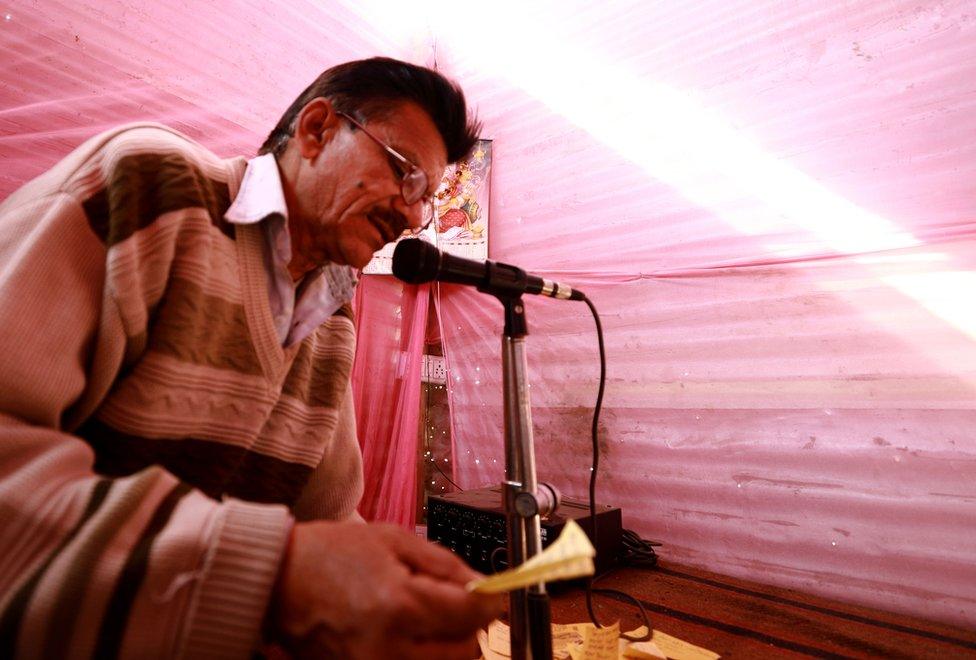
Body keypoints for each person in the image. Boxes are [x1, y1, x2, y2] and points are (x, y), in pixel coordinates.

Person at [0, 57, 500, 658]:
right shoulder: (151, 188)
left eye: (427, 198)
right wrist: (274, 576)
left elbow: (327, 519)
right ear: (316, 129)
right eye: (405, 175)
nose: (413, 215)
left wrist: (396, 595)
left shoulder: (332, 315)